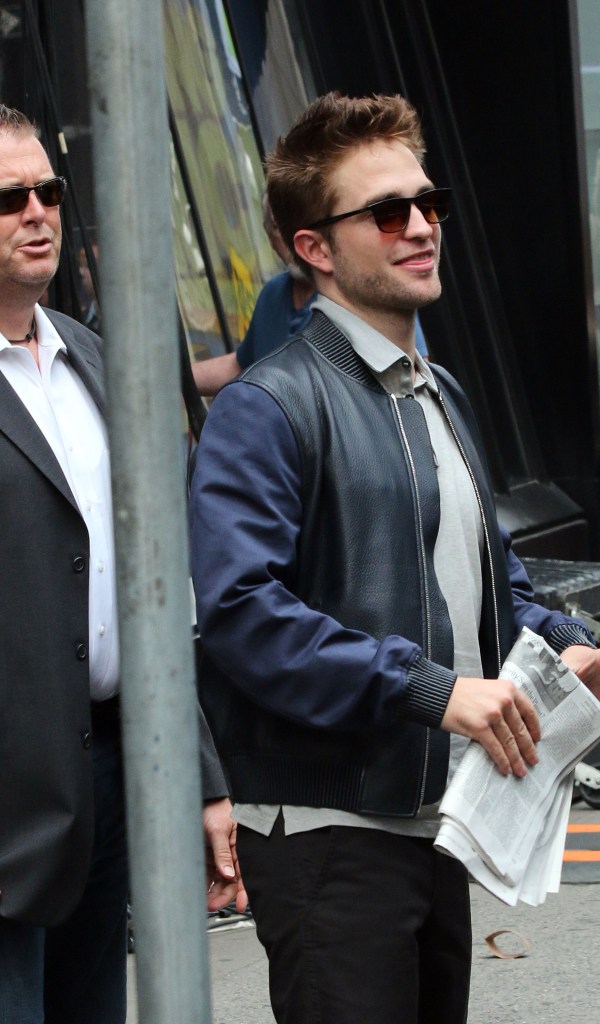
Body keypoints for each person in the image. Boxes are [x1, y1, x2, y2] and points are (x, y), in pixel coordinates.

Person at [189, 92, 600, 1024]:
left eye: (428, 204)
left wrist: (571, 651)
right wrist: (432, 690)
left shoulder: (439, 390)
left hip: (436, 818)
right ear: (314, 247)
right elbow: (240, 614)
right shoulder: (266, 407)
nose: (420, 227)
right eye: (387, 212)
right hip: (327, 832)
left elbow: (491, 585)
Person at [0, 105, 242, 1024]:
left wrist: (204, 778)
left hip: (108, 772)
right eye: (9, 198)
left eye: (49, 191)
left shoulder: (100, 362)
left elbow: (163, 591)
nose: (37, 213)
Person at [193, 195, 429, 396]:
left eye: (306, 224)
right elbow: (243, 365)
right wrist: (179, 379)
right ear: (270, 238)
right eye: (279, 227)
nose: (293, 239)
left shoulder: (362, 291)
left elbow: (411, 380)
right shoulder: (273, 294)